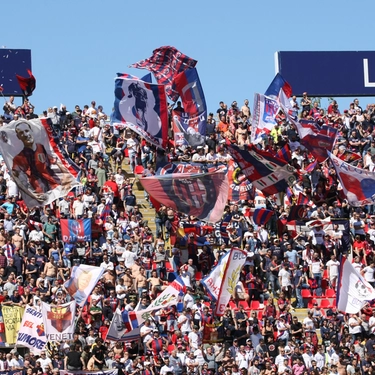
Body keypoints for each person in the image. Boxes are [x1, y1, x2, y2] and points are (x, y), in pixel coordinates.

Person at [11, 121, 74, 202]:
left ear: (31, 131)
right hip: (40, 193)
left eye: (26, 131)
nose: (26, 135)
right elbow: (16, 178)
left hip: (54, 186)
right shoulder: (18, 158)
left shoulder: (41, 147)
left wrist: (66, 177)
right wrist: (31, 194)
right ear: (18, 136)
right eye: (21, 133)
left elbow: (55, 161)